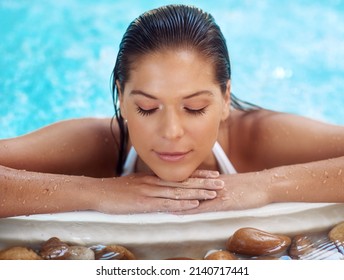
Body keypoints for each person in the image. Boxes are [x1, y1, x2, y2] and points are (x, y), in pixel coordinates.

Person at [1, 4, 343, 218]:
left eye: (194, 108)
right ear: (121, 98)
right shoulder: (97, 143)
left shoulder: (259, 138)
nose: (171, 131)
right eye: (147, 108)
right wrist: (98, 192)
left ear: (225, 98)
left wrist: (264, 185)